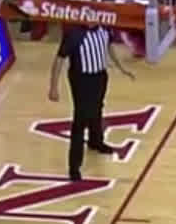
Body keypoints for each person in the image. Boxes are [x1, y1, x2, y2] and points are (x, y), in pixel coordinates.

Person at [49, 23, 122, 182]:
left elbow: (109, 46)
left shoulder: (104, 29)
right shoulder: (74, 35)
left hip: (100, 76)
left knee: (97, 108)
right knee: (80, 120)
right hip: (81, 79)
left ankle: (96, 142)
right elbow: (59, 59)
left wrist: (120, 66)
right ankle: (74, 167)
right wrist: (53, 87)